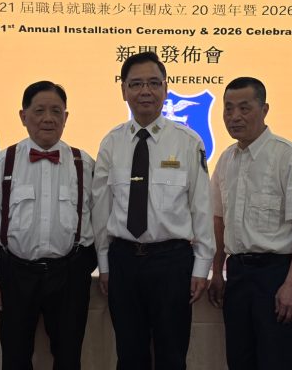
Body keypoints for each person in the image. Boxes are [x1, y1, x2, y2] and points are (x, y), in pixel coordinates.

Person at [92, 51, 215, 369]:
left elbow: (201, 207)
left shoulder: (188, 142)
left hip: (171, 262)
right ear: (123, 90)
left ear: (165, 88)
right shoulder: (111, 143)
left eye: (153, 83)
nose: (145, 91)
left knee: (172, 355)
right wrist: (104, 264)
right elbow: (101, 209)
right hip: (123, 261)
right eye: (136, 84)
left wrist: (202, 266)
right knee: (129, 355)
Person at [0, 80, 97, 369]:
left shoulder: (84, 164)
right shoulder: (3, 163)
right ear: (23, 116)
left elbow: (99, 223)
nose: (48, 118)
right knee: (15, 357)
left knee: (69, 358)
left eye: (56, 111)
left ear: (66, 117)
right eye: (39, 110)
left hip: (69, 275)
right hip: (15, 275)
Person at [206, 77, 292, 370]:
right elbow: (218, 219)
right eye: (228, 108)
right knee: (240, 360)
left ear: (264, 109)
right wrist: (216, 271)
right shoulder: (226, 159)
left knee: (278, 361)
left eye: (244, 108)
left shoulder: (290, 157)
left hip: (277, 276)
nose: (235, 116)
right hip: (238, 275)